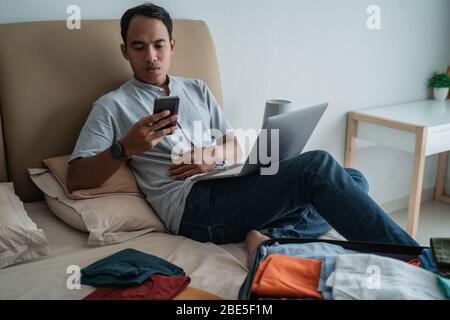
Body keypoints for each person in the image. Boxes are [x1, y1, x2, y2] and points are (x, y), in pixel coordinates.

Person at [67, 3, 419, 259]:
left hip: (229, 182)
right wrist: (125, 148)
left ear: (172, 46)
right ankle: (414, 258)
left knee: (354, 179)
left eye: (159, 45)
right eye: (139, 47)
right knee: (319, 167)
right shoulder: (111, 106)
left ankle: (270, 238)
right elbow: (76, 178)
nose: (151, 56)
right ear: (124, 51)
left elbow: (232, 143)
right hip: (194, 209)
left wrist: (214, 155)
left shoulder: (197, 89)